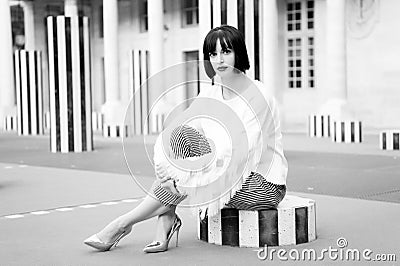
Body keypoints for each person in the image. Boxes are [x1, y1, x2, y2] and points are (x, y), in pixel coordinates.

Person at [83, 24, 288, 253]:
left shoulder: (257, 96)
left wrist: (184, 172)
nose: (219, 59)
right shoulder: (210, 93)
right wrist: (168, 167)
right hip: (220, 170)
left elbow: (238, 154)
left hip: (260, 183)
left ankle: (124, 224)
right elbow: (177, 132)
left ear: (239, 52)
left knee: (192, 173)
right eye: (213, 54)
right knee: (180, 136)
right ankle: (166, 216)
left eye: (226, 51)